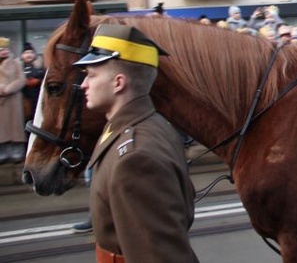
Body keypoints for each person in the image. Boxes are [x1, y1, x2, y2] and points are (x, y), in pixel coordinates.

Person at [73, 24, 199, 262]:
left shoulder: (136, 158)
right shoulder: (149, 126)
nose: (84, 85)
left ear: (118, 83)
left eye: (91, 75)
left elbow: (160, 256)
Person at [0, 38, 27, 164]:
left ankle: (17, 150)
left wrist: (9, 88)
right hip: (1, 100)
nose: (3, 52)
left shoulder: (16, 63)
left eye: (5, 49)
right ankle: (3, 151)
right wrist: (2, 89)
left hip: (13, 99)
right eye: (1, 50)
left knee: (15, 126)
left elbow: (21, 79)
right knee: (2, 128)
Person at [20, 42, 45, 125]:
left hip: (38, 100)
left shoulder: (40, 67)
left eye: (31, 52)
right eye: (26, 53)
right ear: (22, 55)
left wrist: (38, 81)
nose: (29, 55)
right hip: (24, 102)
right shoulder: (19, 68)